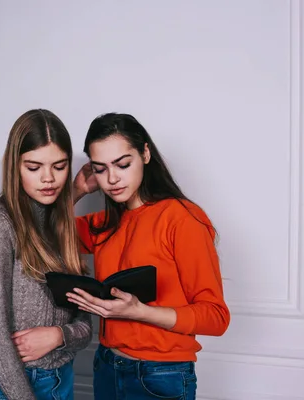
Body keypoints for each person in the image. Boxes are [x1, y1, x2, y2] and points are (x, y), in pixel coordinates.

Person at [69, 112, 230, 400]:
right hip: (106, 367)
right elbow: (41, 233)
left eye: (122, 164)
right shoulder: (105, 223)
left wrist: (139, 312)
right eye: (100, 169)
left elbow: (216, 317)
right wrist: (76, 191)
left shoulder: (181, 218)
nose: (112, 178)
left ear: (145, 153)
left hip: (160, 375)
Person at [0, 109, 92, 399]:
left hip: (61, 378)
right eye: (34, 167)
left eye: (59, 166)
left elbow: (85, 321)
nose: (48, 178)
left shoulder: (60, 227)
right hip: (9, 387)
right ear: (15, 166)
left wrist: (60, 336)